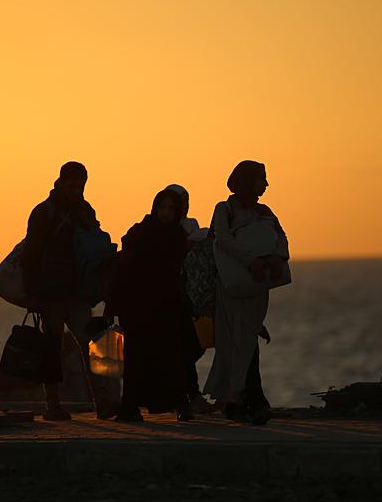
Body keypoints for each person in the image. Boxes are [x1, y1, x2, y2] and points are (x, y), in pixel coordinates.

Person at [22, 162, 120, 421]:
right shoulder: (44, 212)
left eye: (81, 186)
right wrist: (32, 294)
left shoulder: (84, 210)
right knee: (52, 349)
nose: (77, 190)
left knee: (93, 345)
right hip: (51, 293)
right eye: (73, 185)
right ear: (61, 182)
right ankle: (52, 404)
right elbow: (31, 254)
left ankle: (103, 402)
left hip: (77, 292)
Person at [203, 161, 289, 425]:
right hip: (232, 287)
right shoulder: (224, 209)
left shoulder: (265, 211)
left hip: (256, 287)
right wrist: (251, 260)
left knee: (247, 341)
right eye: (261, 178)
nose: (265, 184)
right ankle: (236, 399)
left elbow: (281, 237)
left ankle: (240, 399)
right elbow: (223, 239)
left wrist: (277, 258)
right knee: (232, 344)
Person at [110, 189, 193, 422]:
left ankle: (181, 404)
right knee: (136, 357)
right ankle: (130, 407)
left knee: (172, 356)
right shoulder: (140, 232)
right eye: (162, 207)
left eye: (171, 209)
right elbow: (125, 267)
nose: (166, 213)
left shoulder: (178, 237)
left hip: (167, 305)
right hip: (137, 304)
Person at [164, 184, 215, 414]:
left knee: (192, 347)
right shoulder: (160, 228)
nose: (184, 205)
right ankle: (189, 397)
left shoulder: (191, 225)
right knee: (182, 347)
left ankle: (187, 396)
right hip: (169, 296)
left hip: (191, 293)